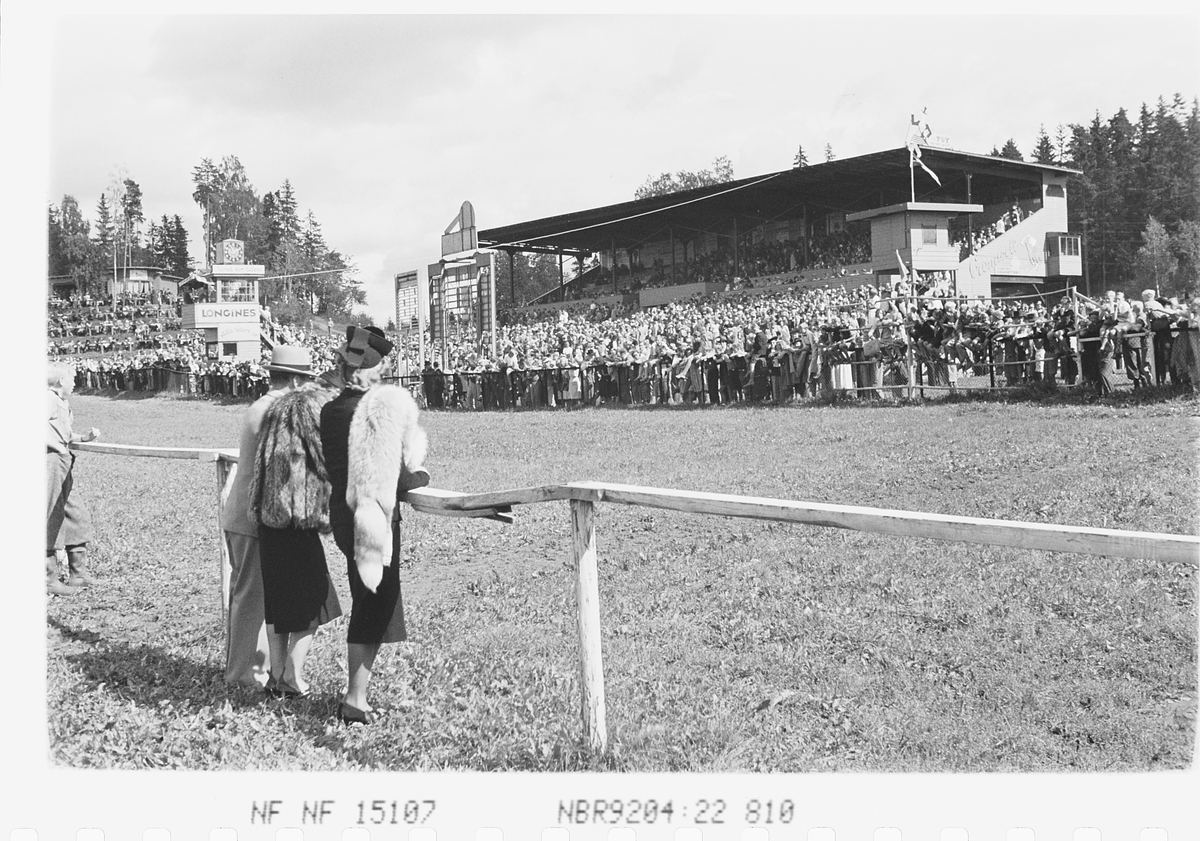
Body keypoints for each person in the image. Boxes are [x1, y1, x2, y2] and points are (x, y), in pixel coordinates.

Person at [320, 326, 429, 725]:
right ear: (363, 371)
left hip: (343, 514)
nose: (384, 373)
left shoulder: (331, 409)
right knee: (374, 603)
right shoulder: (369, 412)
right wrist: (420, 478)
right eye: (380, 366)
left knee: (369, 598)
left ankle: (357, 693)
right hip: (372, 519)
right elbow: (394, 478)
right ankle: (355, 697)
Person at [247, 345, 343, 698]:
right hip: (295, 516)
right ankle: (292, 675)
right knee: (314, 601)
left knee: (279, 603)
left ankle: (276, 676)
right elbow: (325, 455)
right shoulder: (306, 405)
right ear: (302, 378)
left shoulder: (272, 408)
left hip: (268, 516)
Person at [47, 362, 100, 596]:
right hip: (48, 460)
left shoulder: (60, 402)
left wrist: (84, 437)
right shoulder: (46, 399)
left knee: (75, 513)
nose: (75, 382)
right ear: (60, 381)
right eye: (72, 378)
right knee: (49, 515)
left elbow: (63, 433)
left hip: (62, 461)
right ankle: (48, 579)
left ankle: (78, 574)